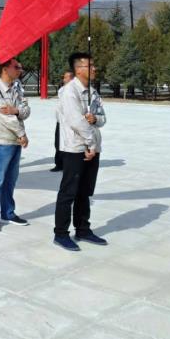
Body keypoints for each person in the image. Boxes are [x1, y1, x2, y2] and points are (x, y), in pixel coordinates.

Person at [53, 52, 108, 251]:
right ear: (78, 69)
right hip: (75, 148)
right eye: (89, 66)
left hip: (92, 148)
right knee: (69, 192)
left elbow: (102, 118)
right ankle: (61, 233)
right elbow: (76, 121)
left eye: (93, 65)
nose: (94, 69)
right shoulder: (70, 92)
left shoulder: (93, 92)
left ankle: (83, 229)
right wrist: (90, 144)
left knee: (85, 191)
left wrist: (95, 119)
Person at [0, 57, 31, 232]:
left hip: (15, 141)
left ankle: (8, 213)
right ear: (5, 69)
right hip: (1, 141)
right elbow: (5, 117)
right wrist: (21, 134)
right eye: (16, 67)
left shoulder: (17, 87)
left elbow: (26, 110)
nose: (20, 70)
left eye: (20, 67)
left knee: (10, 181)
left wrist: (16, 110)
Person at [51, 71, 74, 172]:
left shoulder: (75, 90)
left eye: (65, 77)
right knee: (58, 143)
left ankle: (68, 165)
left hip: (70, 122)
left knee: (69, 144)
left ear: (71, 78)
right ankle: (59, 164)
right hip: (60, 121)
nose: (63, 79)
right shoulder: (61, 90)